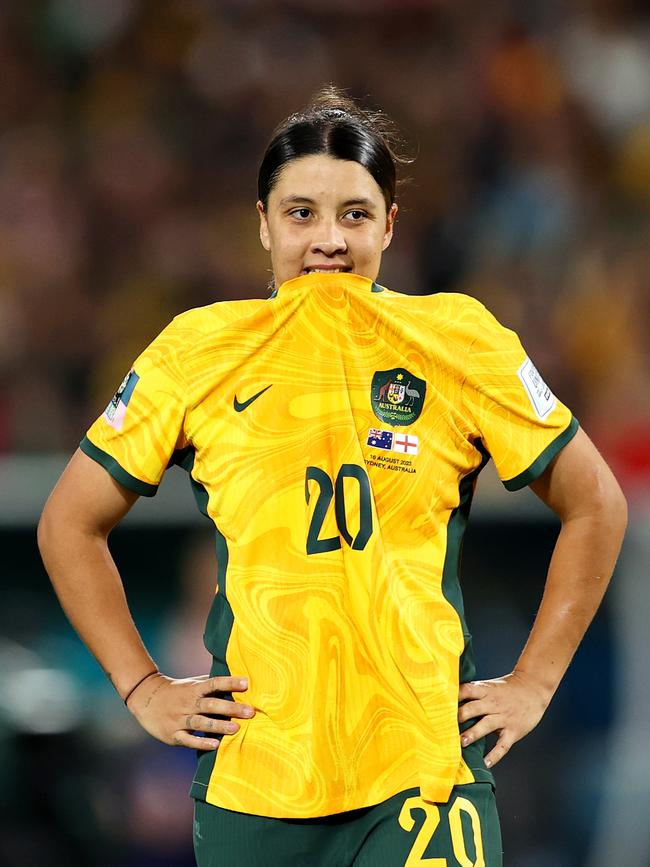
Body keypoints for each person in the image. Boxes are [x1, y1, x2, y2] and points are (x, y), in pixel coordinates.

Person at [38, 87, 627, 867]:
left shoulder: (459, 338)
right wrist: (141, 684)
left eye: (354, 214)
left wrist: (537, 680)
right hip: (257, 780)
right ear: (262, 223)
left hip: (424, 771)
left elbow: (596, 502)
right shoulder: (198, 351)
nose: (328, 238)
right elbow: (67, 522)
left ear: (390, 223)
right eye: (301, 212)